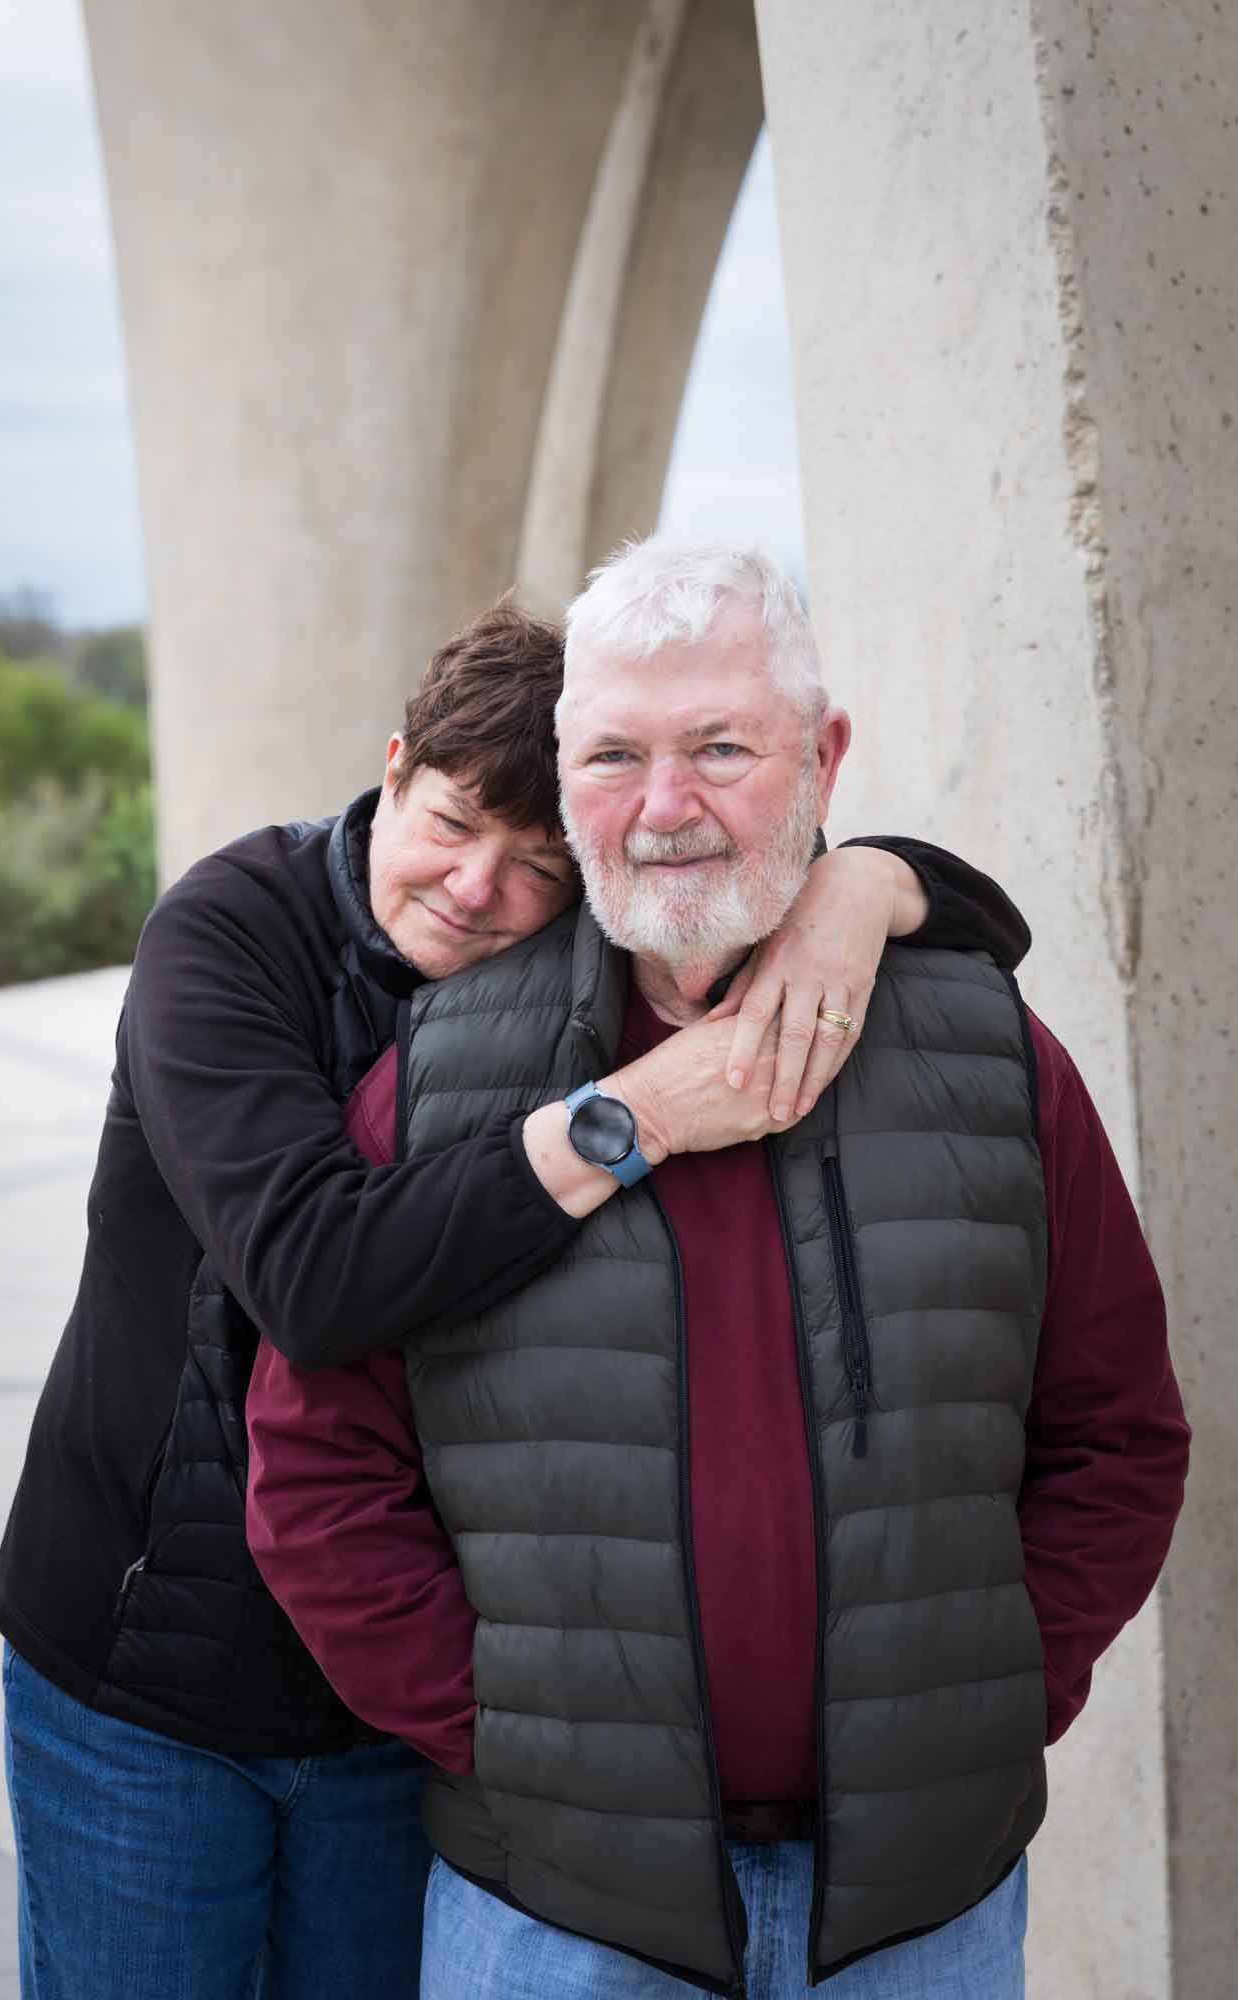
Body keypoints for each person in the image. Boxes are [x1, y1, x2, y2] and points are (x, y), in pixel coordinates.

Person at [0, 598, 1028, 2000]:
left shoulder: (565, 976)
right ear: (395, 764)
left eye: (535, 862)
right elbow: (314, 1271)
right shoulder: (232, 931)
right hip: (147, 1686)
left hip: (397, 1712)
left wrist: (874, 886)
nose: (474, 887)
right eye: (450, 821)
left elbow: (831, 889)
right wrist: (631, 1117)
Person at [247, 542, 1190, 2000]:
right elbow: (316, 1478)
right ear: (562, 779)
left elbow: (1116, 1434)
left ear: (821, 755)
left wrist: (993, 1699)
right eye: (613, 754)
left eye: (719, 748)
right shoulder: (439, 1082)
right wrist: (506, 1735)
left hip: (918, 1910)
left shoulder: (990, 1060)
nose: (664, 806)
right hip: (553, 1913)